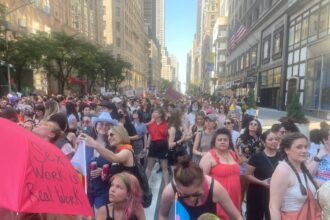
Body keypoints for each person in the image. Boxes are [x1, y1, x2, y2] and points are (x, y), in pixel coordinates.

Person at [158, 155, 243, 220]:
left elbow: (237, 217)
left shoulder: (215, 189)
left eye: (196, 194)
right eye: (184, 195)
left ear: (203, 183)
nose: (191, 199)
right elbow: (163, 215)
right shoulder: (169, 192)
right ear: (177, 186)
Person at [269, 133, 321, 220]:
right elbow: (273, 208)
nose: (304, 150)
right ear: (287, 150)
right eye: (299, 147)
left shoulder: (303, 169)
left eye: (305, 146)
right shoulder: (282, 170)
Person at [199, 128, 241, 220]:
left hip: (235, 196)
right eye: (219, 140)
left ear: (229, 142)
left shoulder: (233, 154)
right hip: (218, 198)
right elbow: (201, 181)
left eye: (225, 140)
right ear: (214, 141)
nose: (223, 142)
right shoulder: (208, 157)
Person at [245, 130, 281, 220]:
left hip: (275, 194)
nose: (274, 141)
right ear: (264, 142)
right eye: (270, 139)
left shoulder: (282, 156)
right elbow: (247, 174)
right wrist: (262, 183)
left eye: (276, 139)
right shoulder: (256, 157)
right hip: (257, 192)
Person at [145, 108, 169, 185]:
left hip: (163, 145)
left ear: (160, 114)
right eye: (154, 112)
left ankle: (166, 185)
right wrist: (147, 146)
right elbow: (150, 136)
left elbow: (168, 137)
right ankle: (145, 184)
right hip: (153, 145)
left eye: (156, 112)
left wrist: (168, 147)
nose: (154, 113)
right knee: (149, 166)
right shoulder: (151, 124)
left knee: (164, 167)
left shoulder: (166, 124)